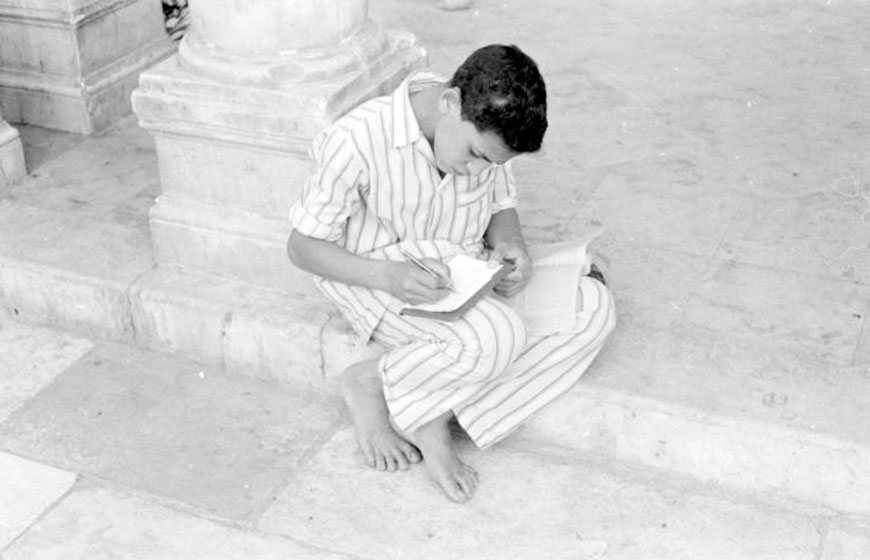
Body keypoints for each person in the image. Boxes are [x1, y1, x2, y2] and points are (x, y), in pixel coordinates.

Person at [287, 44, 616, 502]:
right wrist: (386, 275)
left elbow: (502, 205)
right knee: (498, 336)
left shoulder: (477, 133)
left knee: (593, 308)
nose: (477, 169)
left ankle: (410, 394)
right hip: (383, 278)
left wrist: (510, 246)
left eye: (491, 164)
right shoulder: (357, 140)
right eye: (476, 155)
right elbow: (302, 247)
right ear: (449, 104)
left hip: (467, 275)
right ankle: (407, 407)